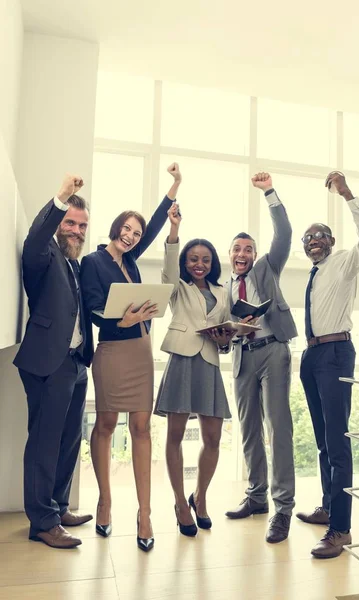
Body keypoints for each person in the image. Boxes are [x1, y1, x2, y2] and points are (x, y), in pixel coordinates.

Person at [80, 163, 182, 552]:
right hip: (111, 350)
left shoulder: (132, 262)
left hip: (140, 352)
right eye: (127, 228)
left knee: (142, 428)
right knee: (106, 424)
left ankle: (145, 513)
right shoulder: (93, 262)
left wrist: (174, 188)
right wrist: (118, 318)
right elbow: (90, 307)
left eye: (136, 233)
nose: (132, 235)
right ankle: (105, 501)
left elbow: (156, 226)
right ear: (115, 227)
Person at [296, 171, 359, 558]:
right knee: (322, 439)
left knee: (338, 442)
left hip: (335, 353)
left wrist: (347, 194)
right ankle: (329, 505)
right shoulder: (315, 274)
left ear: (331, 241)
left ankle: (341, 529)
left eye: (320, 235)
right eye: (308, 238)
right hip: (312, 355)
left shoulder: (345, 262)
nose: (314, 241)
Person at [13, 174, 94, 549]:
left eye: (81, 226)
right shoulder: (44, 256)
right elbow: (35, 240)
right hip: (48, 361)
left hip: (76, 362)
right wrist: (60, 198)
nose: (76, 231)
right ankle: (42, 522)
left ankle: (58, 507)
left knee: (69, 440)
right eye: (70, 223)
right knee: (45, 442)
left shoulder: (75, 265)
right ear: (59, 224)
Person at [225, 172, 297, 544]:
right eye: (237, 249)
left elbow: (283, 234)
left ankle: (282, 508)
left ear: (254, 255)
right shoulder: (223, 288)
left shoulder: (267, 268)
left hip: (272, 352)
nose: (242, 254)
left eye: (247, 249)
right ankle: (255, 498)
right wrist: (229, 329)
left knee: (278, 427)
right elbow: (219, 330)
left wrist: (268, 191)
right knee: (249, 430)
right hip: (241, 356)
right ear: (230, 255)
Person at [154, 203, 233, 537]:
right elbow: (169, 269)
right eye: (193, 259)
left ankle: (200, 496)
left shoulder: (222, 291)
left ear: (212, 263)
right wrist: (173, 230)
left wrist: (226, 337)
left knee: (212, 438)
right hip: (183, 361)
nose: (199, 264)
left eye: (205, 260)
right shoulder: (178, 287)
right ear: (186, 262)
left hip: (210, 363)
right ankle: (179, 503)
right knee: (174, 437)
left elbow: (226, 337)